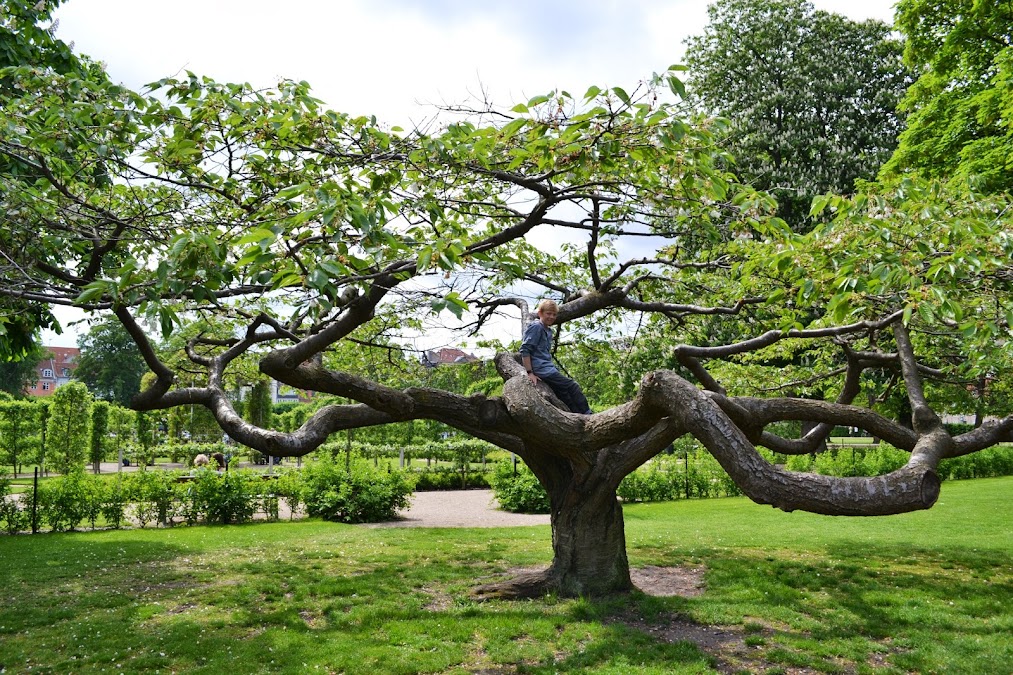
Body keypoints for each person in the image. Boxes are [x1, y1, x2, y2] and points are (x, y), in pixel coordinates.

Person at [519, 299, 593, 414]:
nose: (552, 317)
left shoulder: (547, 330)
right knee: (572, 386)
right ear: (540, 313)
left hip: (548, 367)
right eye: (548, 313)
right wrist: (529, 372)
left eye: (554, 314)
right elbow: (525, 350)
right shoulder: (536, 327)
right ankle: (587, 413)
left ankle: (577, 414)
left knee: (563, 391)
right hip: (542, 369)